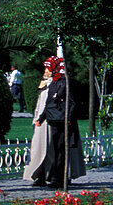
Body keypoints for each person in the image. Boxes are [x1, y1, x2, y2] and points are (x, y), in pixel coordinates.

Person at [31, 58, 85, 188]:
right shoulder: (53, 82)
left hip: (63, 120)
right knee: (54, 149)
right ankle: (49, 176)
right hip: (53, 120)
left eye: (48, 68)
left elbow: (71, 102)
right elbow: (48, 103)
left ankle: (60, 177)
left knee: (61, 149)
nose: (45, 71)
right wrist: (40, 118)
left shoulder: (64, 82)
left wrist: (68, 118)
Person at [22, 56, 56, 182]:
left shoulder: (57, 84)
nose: (46, 72)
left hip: (50, 120)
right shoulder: (45, 84)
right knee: (38, 149)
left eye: (49, 69)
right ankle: (38, 173)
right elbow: (39, 103)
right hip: (40, 122)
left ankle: (48, 174)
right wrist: (36, 118)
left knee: (49, 149)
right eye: (45, 69)